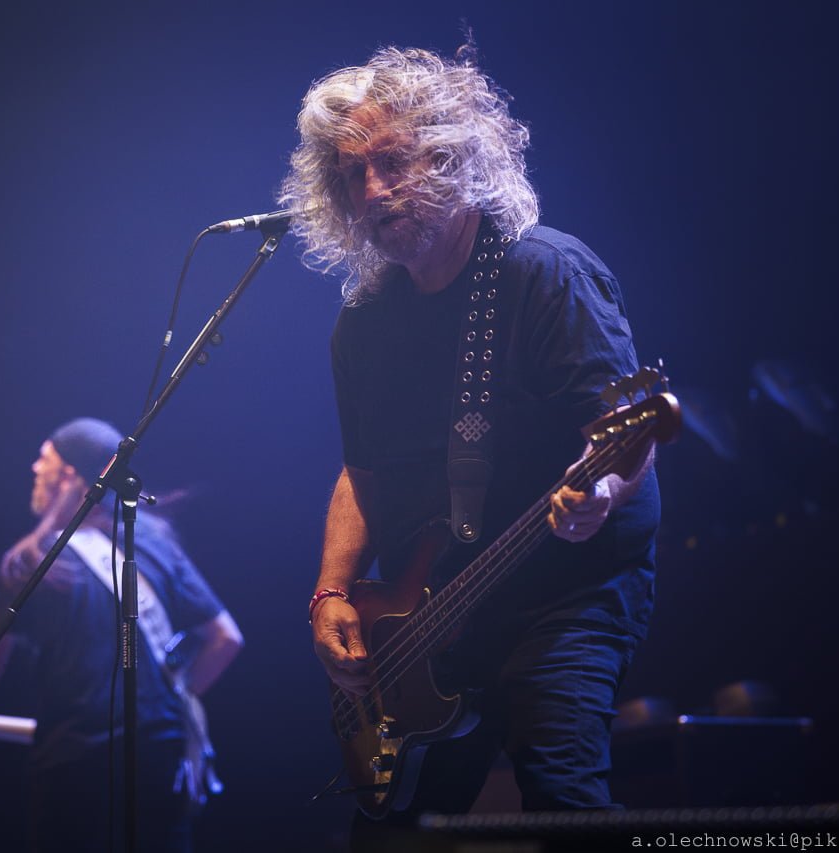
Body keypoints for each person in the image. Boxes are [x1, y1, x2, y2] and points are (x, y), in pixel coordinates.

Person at [278, 42, 660, 840]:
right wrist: (332, 592)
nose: (373, 190)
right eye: (352, 174)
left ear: (452, 156)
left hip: (562, 595)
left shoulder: (543, 273)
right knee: (393, 833)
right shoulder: (363, 323)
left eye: (393, 161)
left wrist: (600, 493)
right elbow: (363, 469)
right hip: (435, 610)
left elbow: (627, 439)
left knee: (563, 799)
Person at [0, 417, 243, 853]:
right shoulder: (154, 540)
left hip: (74, 761)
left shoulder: (37, 559)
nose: (33, 468)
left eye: (43, 458)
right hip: (158, 757)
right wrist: (172, 702)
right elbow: (225, 639)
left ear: (68, 475)